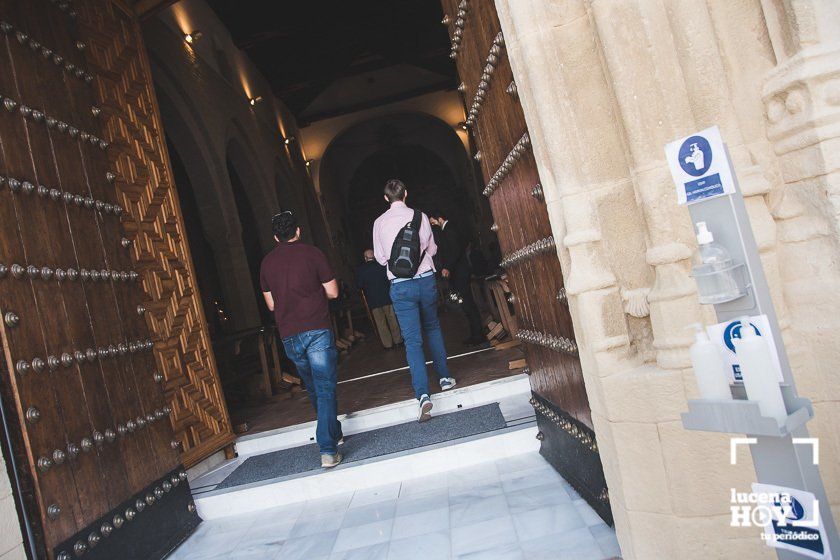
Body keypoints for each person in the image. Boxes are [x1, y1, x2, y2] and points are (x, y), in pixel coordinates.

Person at [260, 210, 344, 468]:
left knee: (315, 387)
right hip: (316, 328)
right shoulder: (313, 254)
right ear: (298, 231)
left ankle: (334, 431)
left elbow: (272, 305)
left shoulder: (266, 264)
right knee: (325, 386)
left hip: (290, 336)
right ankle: (327, 449)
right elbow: (333, 292)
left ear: (276, 237)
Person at [373, 179, 456, 422]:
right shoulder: (420, 216)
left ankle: (422, 394)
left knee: (412, 340)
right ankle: (444, 378)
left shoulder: (379, 222)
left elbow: (379, 258)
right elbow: (431, 250)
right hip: (425, 279)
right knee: (432, 326)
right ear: (406, 194)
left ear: (386, 198)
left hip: (400, 285)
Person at [429, 210, 485, 346]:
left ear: (440, 218)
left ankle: (478, 335)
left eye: (433, 220)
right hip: (459, 272)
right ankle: (475, 334)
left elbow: (454, 251)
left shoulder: (449, 230)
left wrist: (447, 267)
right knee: (466, 304)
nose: (431, 223)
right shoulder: (449, 229)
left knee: (468, 304)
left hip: (460, 272)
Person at [356, 249, 403, 349]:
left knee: (381, 323)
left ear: (365, 258)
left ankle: (388, 344)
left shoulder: (362, 270)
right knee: (392, 319)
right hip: (386, 297)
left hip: (373, 300)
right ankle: (398, 341)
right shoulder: (382, 266)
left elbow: (359, 285)